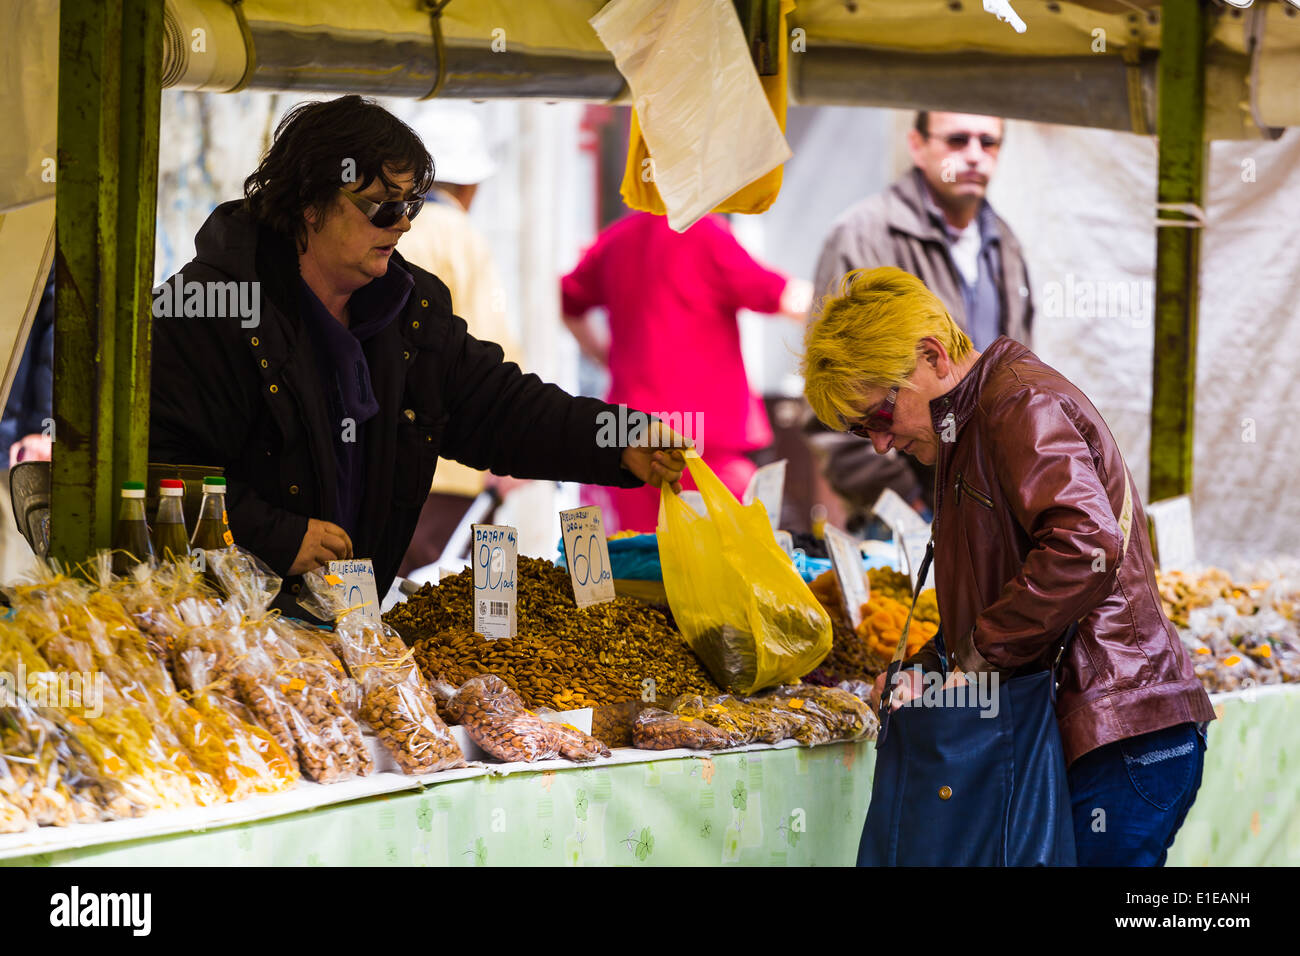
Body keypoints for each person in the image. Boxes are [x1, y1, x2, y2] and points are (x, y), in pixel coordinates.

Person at [149, 95, 685, 607]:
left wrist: (617, 440)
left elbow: (499, 405)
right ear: (311, 204)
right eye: (383, 208)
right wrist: (273, 535)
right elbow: (157, 464)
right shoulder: (208, 308)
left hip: (352, 617)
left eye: (409, 205)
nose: (404, 222)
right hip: (223, 625)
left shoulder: (410, 307)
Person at [802, 267, 1214, 866]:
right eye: (861, 430)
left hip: (1118, 733)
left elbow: (1083, 547)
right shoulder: (970, 423)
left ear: (931, 357)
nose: (880, 445)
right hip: (1102, 729)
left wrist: (972, 657)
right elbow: (999, 587)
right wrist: (932, 667)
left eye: (879, 417)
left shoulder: (1018, 403)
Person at [808, 111, 1033, 529]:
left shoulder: (1006, 243)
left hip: (984, 502)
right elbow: (833, 390)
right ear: (917, 144)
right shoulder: (864, 234)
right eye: (957, 140)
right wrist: (905, 505)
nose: (973, 156)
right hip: (906, 511)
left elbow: (1016, 373)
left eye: (988, 142)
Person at [561, 210, 811, 533]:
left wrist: (605, 355)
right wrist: (844, 305)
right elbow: (784, 297)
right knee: (728, 565)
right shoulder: (705, 234)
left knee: (638, 567)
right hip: (705, 443)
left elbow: (567, 299)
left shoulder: (615, 239)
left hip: (629, 434)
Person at [393, 105, 529, 575]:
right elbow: (493, 351)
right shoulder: (459, 236)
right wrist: (511, 446)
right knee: (452, 610)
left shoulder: (386, 233)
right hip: (454, 466)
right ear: (471, 185)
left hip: (387, 463)